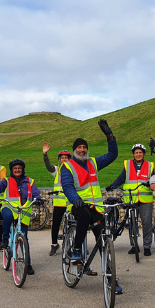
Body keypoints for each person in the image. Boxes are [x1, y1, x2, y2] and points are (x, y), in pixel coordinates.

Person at [61, 119, 123, 294]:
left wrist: (109, 136)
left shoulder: (93, 163)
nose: (82, 150)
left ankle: (111, 278)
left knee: (104, 240)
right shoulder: (67, 166)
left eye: (84, 147)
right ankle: (75, 251)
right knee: (85, 216)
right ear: (75, 150)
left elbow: (112, 155)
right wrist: (75, 199)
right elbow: (67, 186)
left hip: (96, 206)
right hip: (78, 205)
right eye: (79, 148)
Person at [0, 158, 40, 275]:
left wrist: (38, 199)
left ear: (23, 170)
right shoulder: (6, 181)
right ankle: (5, 239)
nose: (17, 170)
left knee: (24, 239)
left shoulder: (29, 181)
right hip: (9, 207)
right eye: (15, 168)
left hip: (23, 211)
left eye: (19, 168)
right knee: (7, 216)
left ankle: (28, 264)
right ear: (12, 170)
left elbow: (35, 192)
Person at [107, 144, 155, 257]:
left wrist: (154, 185)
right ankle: (134, 246)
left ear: (144, 154)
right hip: (131, 198)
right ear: (133, 154)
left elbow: (153, 179)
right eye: (136, 153)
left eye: (140, 152)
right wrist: (112, 185)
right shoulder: (127, 164)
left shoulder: (149, 165)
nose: (138, 154)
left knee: (147, 223)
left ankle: (147, 247)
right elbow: (121, 178)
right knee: (132, 223)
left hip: (145, 199)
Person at [42, 142, 72, 256]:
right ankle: (54, 244)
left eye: (66, 158)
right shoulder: (57, 170)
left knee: (74, 223)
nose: (64, 160)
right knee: (55, 224)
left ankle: (77, 244)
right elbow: (49, 166)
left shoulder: (73, 170)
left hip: (70, 202)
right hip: (59, 203)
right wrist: (45, 155)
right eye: (62, 158)